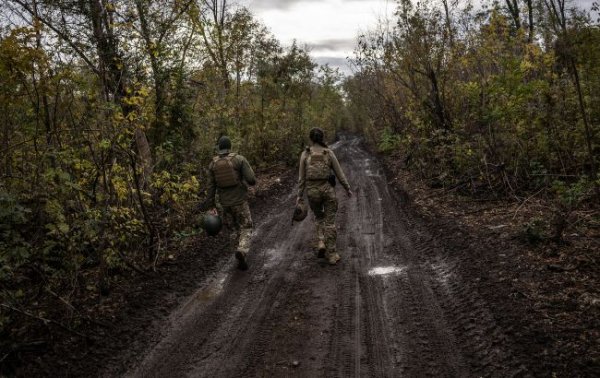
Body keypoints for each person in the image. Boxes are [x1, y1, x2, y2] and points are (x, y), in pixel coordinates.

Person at [296, 128, 352, 265]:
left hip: (312, 192)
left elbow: (301, 178)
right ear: (322, 138)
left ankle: (321, 241)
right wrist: (347, 188)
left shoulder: (305, 154)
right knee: (330, 222)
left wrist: (299, 196)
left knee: (319, 217)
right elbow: (340, 174)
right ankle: (332, 254)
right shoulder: (328, 153)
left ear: (311, 139)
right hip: (327, 191)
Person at [201, 135, 256, 270]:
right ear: (230, 146)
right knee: (246, 226)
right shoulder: (239, 159)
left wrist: (211, 206)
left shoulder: (213, 164)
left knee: (233, 230)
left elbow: (210, 187)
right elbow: (251, 179)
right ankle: (242, 250)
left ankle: (238, 255)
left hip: (225, 204)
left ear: (219, 148)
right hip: (240, 202)